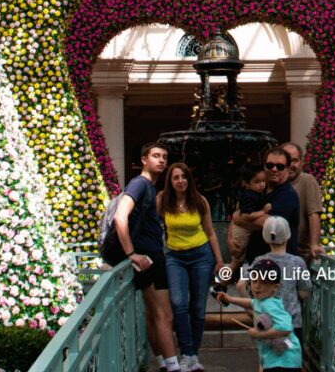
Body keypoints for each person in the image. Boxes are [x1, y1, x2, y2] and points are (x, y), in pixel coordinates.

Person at [101, 142, 180, 372]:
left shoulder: (148, 186)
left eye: (164, 156)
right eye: (156, 156)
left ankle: (165, 362)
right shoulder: (140, 184)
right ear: (144, 159)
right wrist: (131, 253)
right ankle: (173, 366)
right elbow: (120, 217)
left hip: (149, 257)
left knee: (154, 313)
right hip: (148, 258)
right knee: (164, 315)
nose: (162, 160)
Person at [158, 162, 225, 372]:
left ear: (189, 179)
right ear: (170, 181)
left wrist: (219, 260)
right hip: (174, 256)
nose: (180, 181)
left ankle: (193, 354)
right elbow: (151, 225)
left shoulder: (199, 201)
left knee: (197, 306)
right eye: (176, 178)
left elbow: (210, 232)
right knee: (178, 303)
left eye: (183, 177)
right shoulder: (162, 200)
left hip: (201, 255)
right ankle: (186, 353)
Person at [216, 258, 302, 371]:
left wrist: (259, 334)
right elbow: (251, 303)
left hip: (284, 360)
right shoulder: (262, 300)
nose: (257, 286)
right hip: (278, 358)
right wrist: (230, 299)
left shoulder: (271, 305)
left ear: (275, 287)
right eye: (254, 280)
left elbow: (285, 328)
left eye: (264, 282)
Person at [245, 216, 310, 345]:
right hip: (292, 323)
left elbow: (242, 284)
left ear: (265, 237)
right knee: (292, 359)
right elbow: (304, 293)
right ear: (288, 235)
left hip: (266, 322)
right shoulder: (297, 262)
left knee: (268, 360)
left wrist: (252, 310)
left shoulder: (258, 261)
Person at [233, 147, 300, 262]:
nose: (274, 169)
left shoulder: (287, 195)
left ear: (288, 169)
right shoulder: (260, 189)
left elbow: (265, 223)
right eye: (270, 165)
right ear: (264, 166)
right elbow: (242, 208)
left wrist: (236, 218)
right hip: (256, 261)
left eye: (280, 166)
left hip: (278, 265)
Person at [282, 142, 325, 264]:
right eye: (287, 160)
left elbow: (314, 214)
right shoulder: (275, 182)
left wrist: (314, 244)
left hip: (298, 255)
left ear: (302, 162)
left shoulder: (307, 180)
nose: (291, 165)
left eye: (294, 160)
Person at [226, 162, 271, 277]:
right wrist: (263, 212)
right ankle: (221, 282)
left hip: (245, 230)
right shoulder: (248, 196)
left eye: (263, 181)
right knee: (237, 260)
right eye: (257, 182)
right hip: (241, 231)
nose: (262, 185)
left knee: (238, 261)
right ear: (246, 183)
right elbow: (246, 215)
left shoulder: (257, 194)